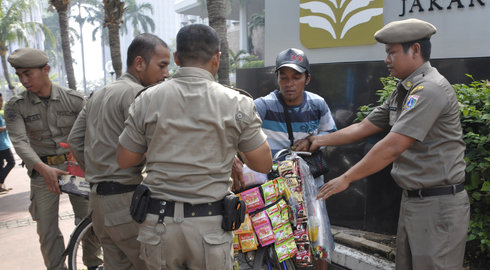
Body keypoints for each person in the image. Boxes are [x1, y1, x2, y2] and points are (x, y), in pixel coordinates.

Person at [309, 18, 470, 270]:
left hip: (438, 206)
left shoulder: (429, 89)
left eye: (392, 52)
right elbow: (364, 127)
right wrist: (318, 140)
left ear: (415, 50)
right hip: (414, 202)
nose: (386, 60)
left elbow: (392, 146)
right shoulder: (404, 90)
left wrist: (347, 178)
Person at [116, 24, 273, 270]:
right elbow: (263, 164)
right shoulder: (237, 104)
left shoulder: (146, 99)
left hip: (158, 226)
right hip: (209, 230)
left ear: (177, 58)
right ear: (217, 58)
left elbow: (125, 159)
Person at [68, 33, 170, 270]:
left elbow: (74, 139)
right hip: (127, 204)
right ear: (139, 63)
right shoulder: (139, 95)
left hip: (98, 204)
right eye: (162, 65)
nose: (166, 74)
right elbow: (158, 146)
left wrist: (99, 173)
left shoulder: (98, 94)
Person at [5, 48, 101, 269]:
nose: (23, 80)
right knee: (47, 230)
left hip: (76, 170)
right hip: (42, 171)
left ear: (46, 70)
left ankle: (94, 264)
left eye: (28, 73)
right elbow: (19, 141)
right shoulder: (16, 106)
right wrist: (42, 168)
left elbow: (92, 134)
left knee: (89, 222)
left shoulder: (75, 100)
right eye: (19, 75)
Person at [253, 47, 337, 270]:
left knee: (319, 240)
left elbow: (331, 134)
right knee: (279, 243)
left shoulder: (317, 104)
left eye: (296, 77)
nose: (289, 83)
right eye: (284, 77)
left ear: (307, 79)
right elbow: (242, 132)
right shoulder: (263, 106)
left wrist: (314, 139)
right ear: (277, 79)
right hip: (275, 188)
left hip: (311, 187)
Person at [0, 93, 15, 193]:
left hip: (3, 143)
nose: (1, 103)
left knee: (1, 165)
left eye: (1, 101)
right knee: (11, 162)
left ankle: (1, 186)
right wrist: (8, 126)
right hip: (2, 145)